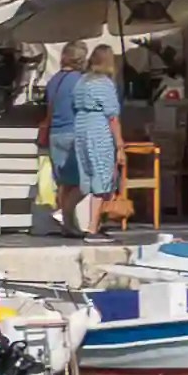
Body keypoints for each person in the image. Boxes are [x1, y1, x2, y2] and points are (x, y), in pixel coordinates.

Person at [45, 45, 126, 238]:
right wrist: (120, 144)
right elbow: (112, 116)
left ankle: (66, 217)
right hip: (92, 132)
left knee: (78, 181)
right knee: (99, 179)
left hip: (71, 131)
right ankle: (92, 227)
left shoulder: (77, 82)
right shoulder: (102, 83)